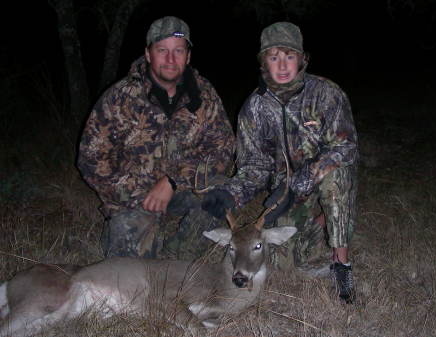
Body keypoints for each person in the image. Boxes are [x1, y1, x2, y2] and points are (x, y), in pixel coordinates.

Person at [201, 22, 358, 303]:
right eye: (274, 57)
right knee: (286, 264)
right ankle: (318, 222)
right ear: (264, 63)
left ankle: (341, 263)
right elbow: (254, 166)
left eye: (289, 56)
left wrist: (306, 177)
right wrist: (231, 193)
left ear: (302, 59)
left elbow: (345, 147)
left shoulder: (326, 93)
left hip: (322, 179)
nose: (283, 65)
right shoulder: (254, 107)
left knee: (338, 178)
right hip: (285, 194)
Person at [77, 16, 235, 260]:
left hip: (183, 187)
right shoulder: (120, 97)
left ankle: (178, 256)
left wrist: (172, 181)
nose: (171, 60)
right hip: (135, 196)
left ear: (188, 56)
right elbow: (91, 159)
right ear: (148, 54)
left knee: (221, 194)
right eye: (162, 50)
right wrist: (142, 194)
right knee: (129, 278)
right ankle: (123, 232)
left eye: (178, 51)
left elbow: (222, 149)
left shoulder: (204, 94)